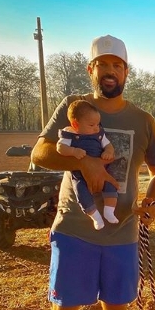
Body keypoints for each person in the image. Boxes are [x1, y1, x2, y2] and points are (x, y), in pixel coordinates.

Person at [30, 34, 155, 310]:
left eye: (117, 65)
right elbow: (40, 152)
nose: (110, 71)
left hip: (122, 235)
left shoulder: (144, 121)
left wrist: (151, 202)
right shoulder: (73, 107)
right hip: (74, 231)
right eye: (102, 64)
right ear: (90, 70)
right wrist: (84, 162)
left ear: (126, 71)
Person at [56, 99, 119, 230]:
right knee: (82, 194)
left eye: (97, 124)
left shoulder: (99, 134)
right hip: (79, 176)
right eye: (91, 125)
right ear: (75, 124)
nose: (96, 127)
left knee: (111, 186)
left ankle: (109, 211)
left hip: (103, 171)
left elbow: (108, 145)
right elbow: (60, 148)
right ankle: (95, 217)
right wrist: (73, 151)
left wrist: (108, 151)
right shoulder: (69, 135)